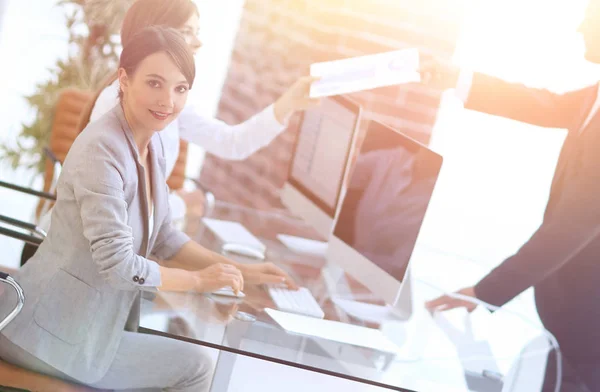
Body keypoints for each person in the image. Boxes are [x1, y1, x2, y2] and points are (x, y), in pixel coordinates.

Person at [0, 26, 296, 391]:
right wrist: (200, 281)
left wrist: (240, 270)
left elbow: (166, 237)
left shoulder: (149, 145)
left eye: (180, 88)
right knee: (197, 367)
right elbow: (119, 264)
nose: (168, 101)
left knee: (188, 349)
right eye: (155, 83)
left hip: (86, 323)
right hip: (48, 332)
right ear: (124, 80)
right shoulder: (102, 150)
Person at [423, 2, 600, 390]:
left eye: (589, 16)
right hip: (571, 317)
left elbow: (573, 226)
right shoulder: (595, 93)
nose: (578, 28)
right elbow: (548, 104)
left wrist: (486, 292)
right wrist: (457, 77)